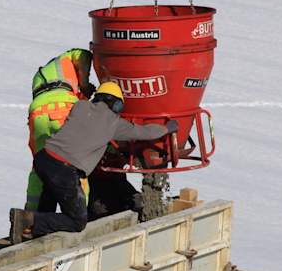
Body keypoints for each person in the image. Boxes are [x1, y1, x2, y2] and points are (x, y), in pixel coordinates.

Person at [10, 82, 177, 243]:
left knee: (50, 197)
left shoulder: (80, 106)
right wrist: (167, 128)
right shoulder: (114, 123)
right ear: (117, 105)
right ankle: (27, 219)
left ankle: (28, 231)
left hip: (44, 158)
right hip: (63, 168)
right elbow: (143, 132)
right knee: (77, 221)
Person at [25, 49, 95, 211]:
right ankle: (80, 212)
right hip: (62, 111)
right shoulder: (70, 57)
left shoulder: (42, 75)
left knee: (40, 165)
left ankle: (31, 212)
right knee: (77, 163)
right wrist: (85, 85)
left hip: (37, 116)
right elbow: (83, 55)